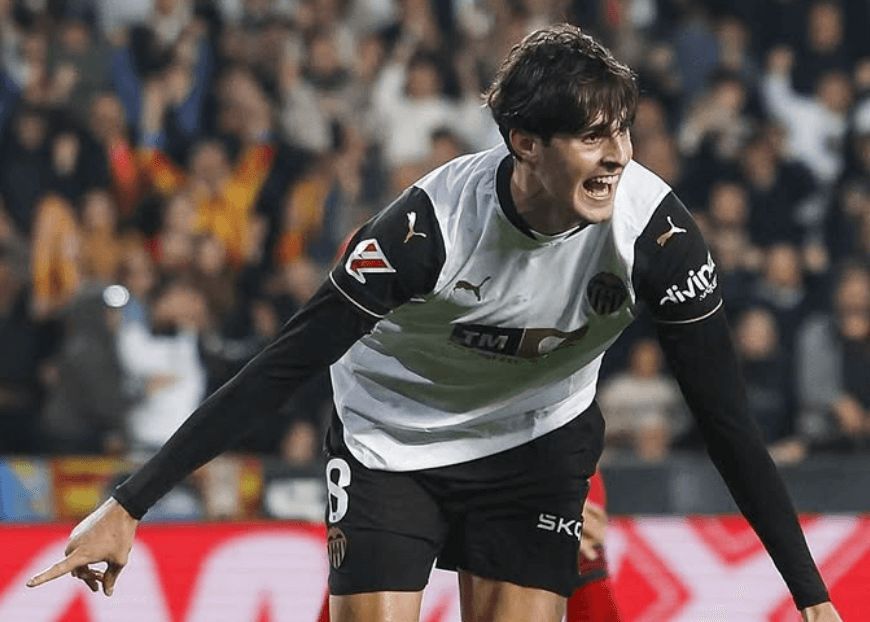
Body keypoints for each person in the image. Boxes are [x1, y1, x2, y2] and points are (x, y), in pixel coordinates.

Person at [26, 24, 840, 622]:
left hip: (535, 440)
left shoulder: (655, 234)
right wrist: (130, 504)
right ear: (526, 142)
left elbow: (726, 420)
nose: (620, 154)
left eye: (622, 130)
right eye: (593, 136)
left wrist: (811, 598)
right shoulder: (424, 232)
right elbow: (282, 366)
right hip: (391, 438)